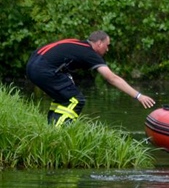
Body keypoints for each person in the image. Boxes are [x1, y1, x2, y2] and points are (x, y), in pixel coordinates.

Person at [26, 31, 155, 126]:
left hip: (32, 65)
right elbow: (112, 78)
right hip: (44, 69)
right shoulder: (90, 53)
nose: (108, 49)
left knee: (64, 98)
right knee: (76, 100)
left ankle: (51, 127)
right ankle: (57, 134)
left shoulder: (78, 44)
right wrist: (138, 96)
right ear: (99, 43)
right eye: (107, 45)